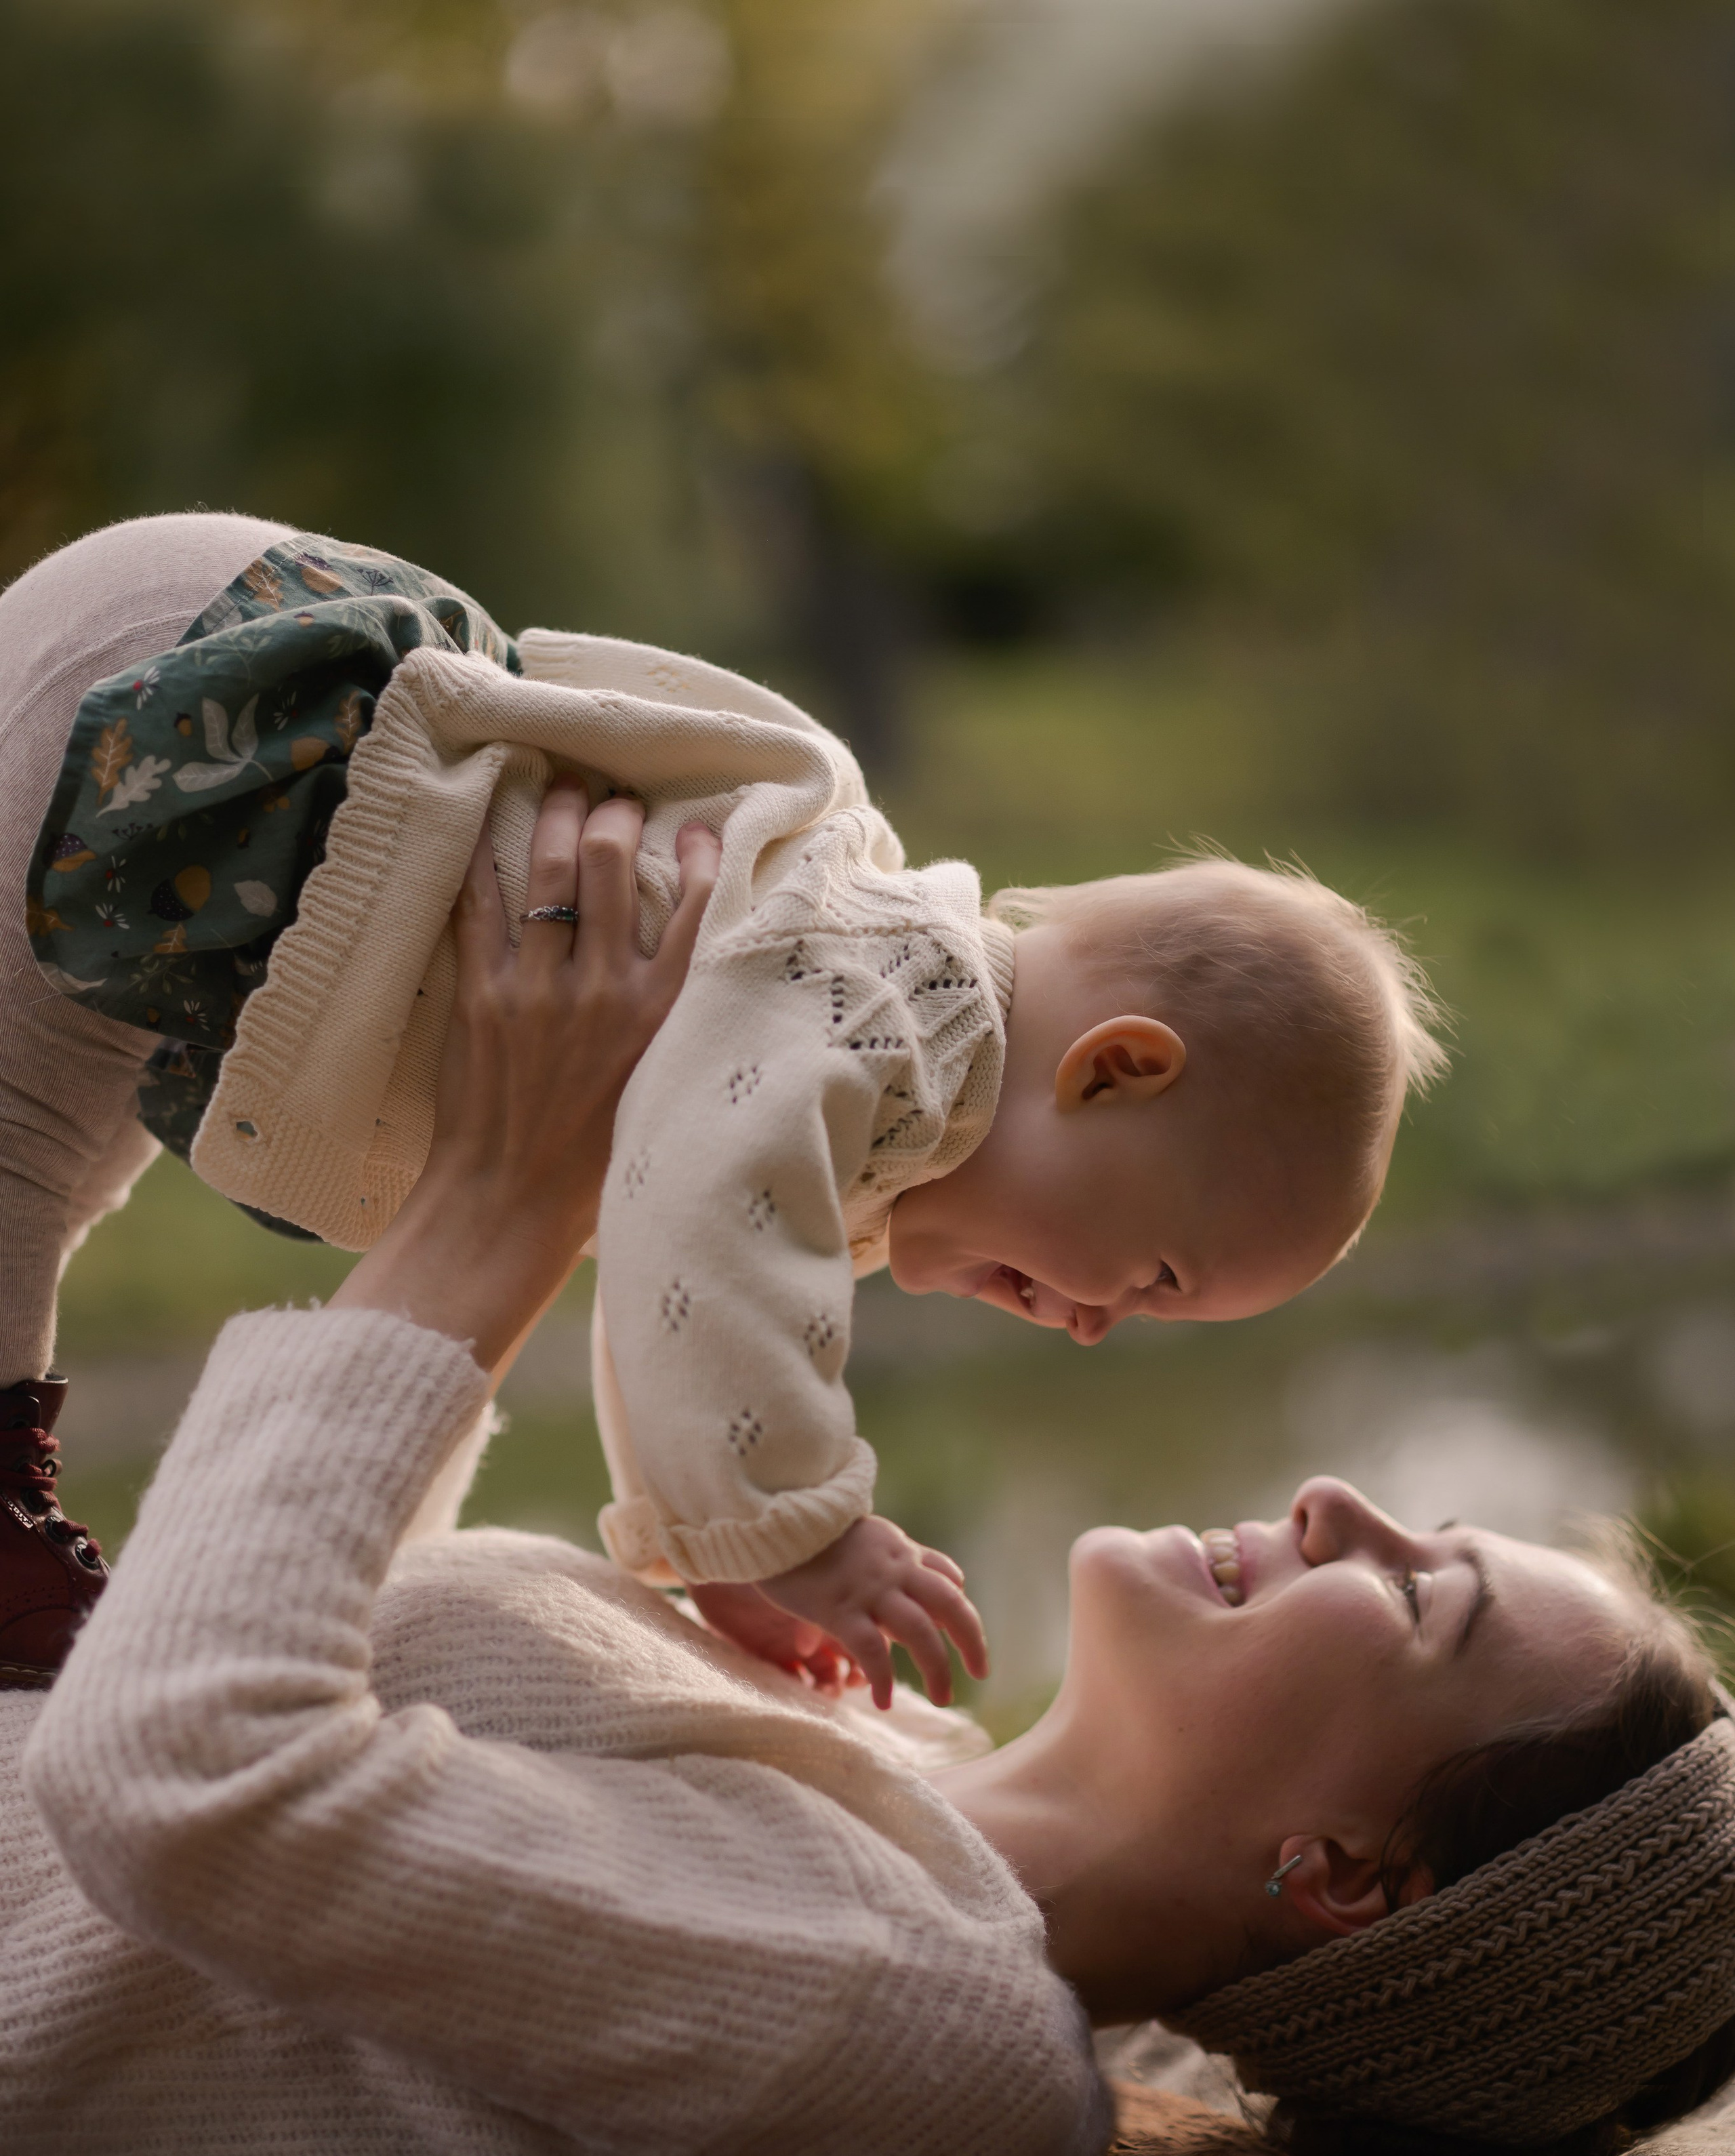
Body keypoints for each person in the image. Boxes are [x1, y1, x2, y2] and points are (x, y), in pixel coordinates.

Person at [5, 785, 1734, 2156]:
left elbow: (185, 1770)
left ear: (1346, 1877)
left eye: (1418, 1592)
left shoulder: (920, 2018)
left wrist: (506, 1197)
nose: (1331, 1503)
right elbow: (295, 1653)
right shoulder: (881, 1740)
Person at [0, 512, 1444, 1698]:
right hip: (221, 716)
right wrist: (795, 1529)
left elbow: (669, 1275)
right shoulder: (901, 998)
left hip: (209, 733)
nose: (1086, 1322)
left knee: (44, 1175)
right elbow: (706, 1219)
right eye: (1149, 1277)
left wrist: (715, 1547)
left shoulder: (846, 1071)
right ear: (1115, 1069)